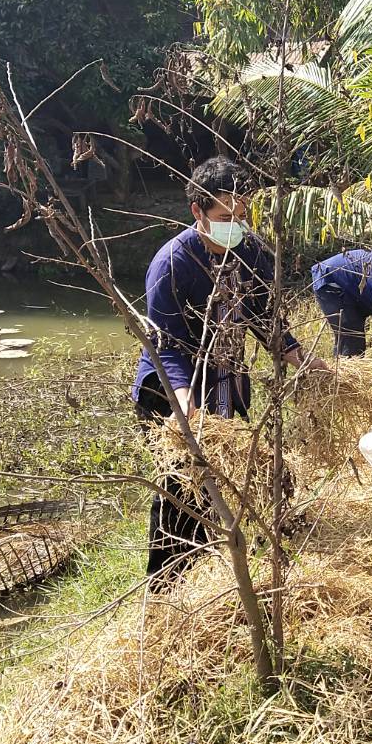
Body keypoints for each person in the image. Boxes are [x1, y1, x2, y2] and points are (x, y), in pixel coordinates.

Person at [130, 156, 326, 577]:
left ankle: (232, 566)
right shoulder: (172, 265)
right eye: (224, 215)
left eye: (242, 213)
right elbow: (165, 348)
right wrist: (186, 409)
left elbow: (265, 322)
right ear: (197, 211)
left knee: (233, 480)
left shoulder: (251, 252)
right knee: (182, 493)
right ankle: (169, 587)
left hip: (226, 384)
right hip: (171, 391)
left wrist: (305, 361)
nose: (236, 223)